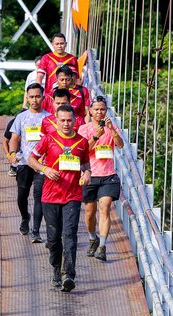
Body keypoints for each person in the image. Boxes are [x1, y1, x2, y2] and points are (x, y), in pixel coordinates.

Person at [28, 105, 91, 292]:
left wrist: (87, 174)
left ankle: (68, 275)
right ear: (56, 120)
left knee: (69, 235)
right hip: (50, 196)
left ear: (75, 121)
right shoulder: (49, 139)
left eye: (69, 120)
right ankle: (56, 267)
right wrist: (44, 169)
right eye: (62, 120)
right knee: (54, 239)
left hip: (72, 195)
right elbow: (32, 159)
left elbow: (86, 164)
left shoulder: (82, 142)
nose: (66, 124)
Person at [77, 96, 124, 261]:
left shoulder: (112, 127)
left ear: (106, 111)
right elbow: (82, 151)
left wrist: (111, 130)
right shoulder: (84, 129)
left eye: (102, 109)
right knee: (90, 213)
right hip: (90, 175)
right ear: (90, 111)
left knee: (105, 208)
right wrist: (96, 136)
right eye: (96, 109)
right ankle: (92, 238)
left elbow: (120, 145)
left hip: (108, 175)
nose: (99, 112)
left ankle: (102, 246)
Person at [8, 83, 51, 243]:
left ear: (43, 97)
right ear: (27, 97)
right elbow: (14, 138)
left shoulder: (48, 118)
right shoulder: (21, 117)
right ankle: (25, 217)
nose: (34, 100)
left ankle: (36, 231)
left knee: (39, 196)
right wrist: (12, 154)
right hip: (25, 162)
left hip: (41, 163)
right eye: (31, 97)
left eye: (37, 96)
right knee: (22, 195)